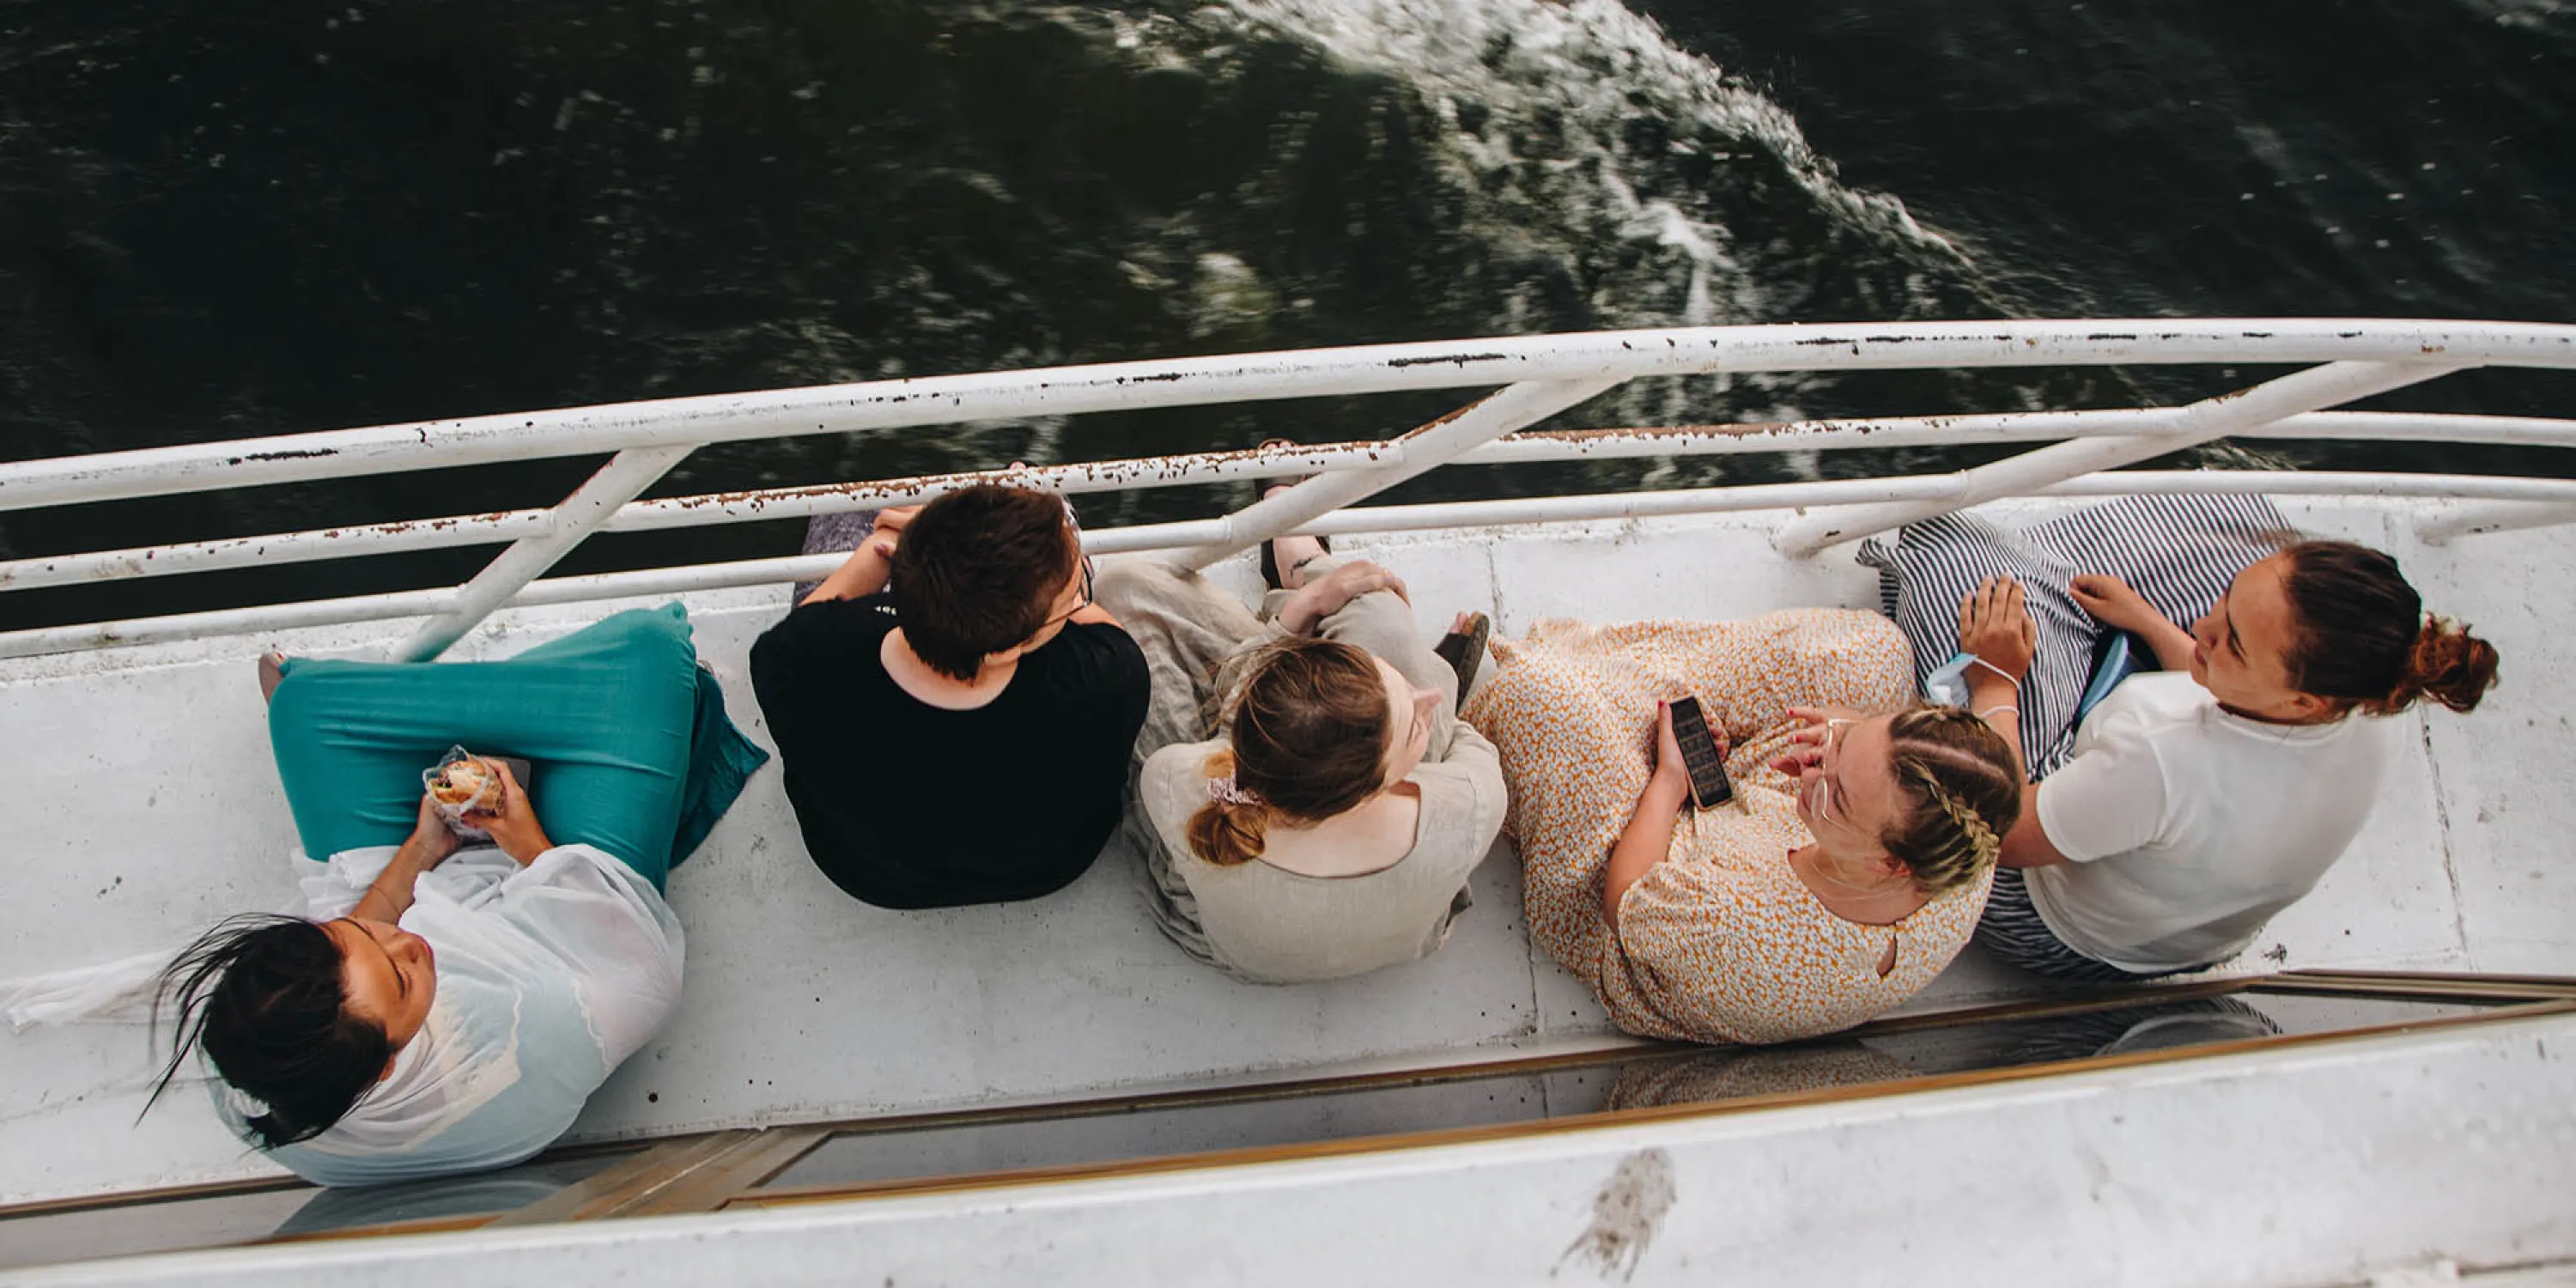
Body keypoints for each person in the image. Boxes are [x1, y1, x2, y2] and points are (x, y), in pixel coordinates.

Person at [149, 604, 769, 1187]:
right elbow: (638, 961)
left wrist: (421, 852)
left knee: (300, 710)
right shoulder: (553, 1021)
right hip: (576, 932)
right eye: (400, 981)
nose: (409, 943)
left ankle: (555, 725)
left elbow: (360, 944)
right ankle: (566, 725)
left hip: (443, 877)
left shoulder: (256, 1087)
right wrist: (527, 844)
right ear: (384, 1067)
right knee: (652, 650)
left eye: (360, 937)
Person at [1464, 609, 2022, 1045]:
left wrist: (1671, 783)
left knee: (1540, 696)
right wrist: (1839, 733)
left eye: (1839, 793)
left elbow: (1624, 898)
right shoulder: (1967, 840)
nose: (1814, 769)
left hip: (1649, 897)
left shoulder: (1731, 925)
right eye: (1848, 744)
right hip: (1767, 839)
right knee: (1877, 656)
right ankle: (1699, 726)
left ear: (1889, 862)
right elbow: (1994, 774)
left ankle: (1640, 714)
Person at [1954, 540, 2500, 981]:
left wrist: (1997, 681)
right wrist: (2146, 622)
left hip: (2056, 928)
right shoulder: (2380, 704)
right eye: (2228, 599)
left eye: (2233, 644)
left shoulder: (2161, 753)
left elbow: (2008, 835)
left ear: (2303, 703)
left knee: (1953, 568)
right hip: (2194, 933)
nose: (2201, 628)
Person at [1093, 521, 1506, 982]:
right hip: (1406, 930)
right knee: (1386, 624)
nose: (1424, 698)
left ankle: (1300, 595)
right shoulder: (1469, 802)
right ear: (1377, 788)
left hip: (1241, 947)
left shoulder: (1180, 782)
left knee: (1120, 587)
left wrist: (1298, 615)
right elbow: (1465, 739)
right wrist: (1430, 700)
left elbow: (1236, 730)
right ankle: (1313, 572)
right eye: (1414, 710)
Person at [749, 485, 1150, 908]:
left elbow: (810, 620)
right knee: (1034, 483)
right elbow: (1103, 631)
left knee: (851, 507)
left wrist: (881, 547)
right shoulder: (1105, 680)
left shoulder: (799, 659)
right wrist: (1073, 592)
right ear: (1007, 648)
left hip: (870, 875)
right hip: (1048, 869)